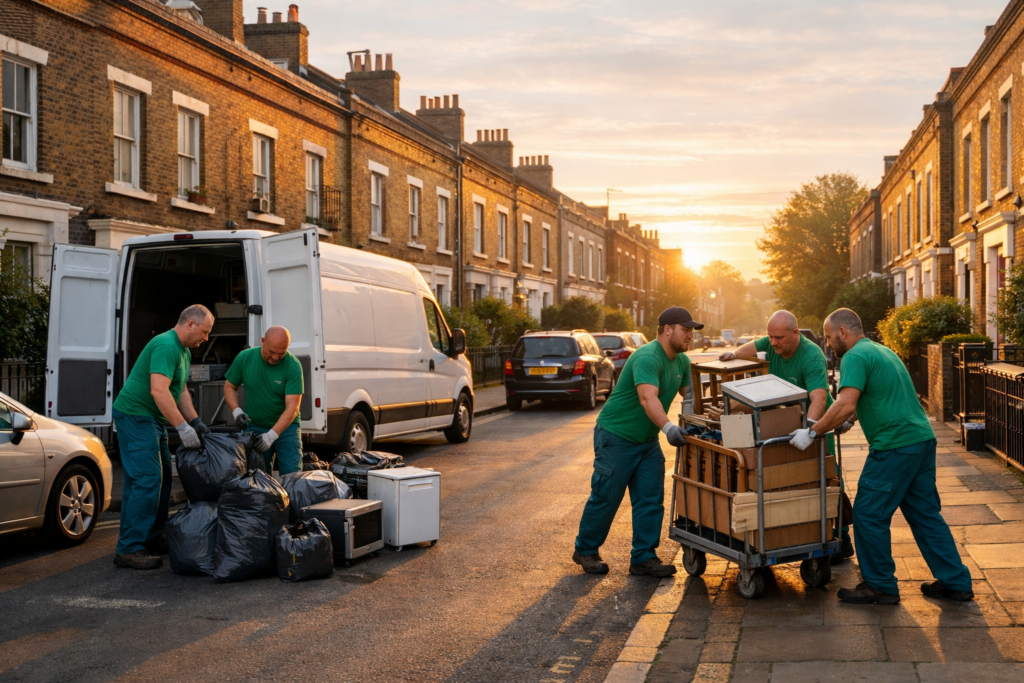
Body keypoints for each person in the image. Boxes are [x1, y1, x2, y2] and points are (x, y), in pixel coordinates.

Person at [789, 308, 973, 605]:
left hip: (894, 447)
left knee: (868, 515)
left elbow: (846, 404)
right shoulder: (882, 351)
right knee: (926, 516)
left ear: (843, 332)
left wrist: (812, 432)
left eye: (828, 337)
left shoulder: (854, 357)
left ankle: (879, 585)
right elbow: (880, 397)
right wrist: (851, 419)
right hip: (921, 441)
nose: (828, 344)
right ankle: (956, 582)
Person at [572, 306, 701, 577]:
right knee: (607, 496)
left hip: (646, 440)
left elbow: (691, 398)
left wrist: (699, 425)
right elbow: (647, 398)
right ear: (668, 330)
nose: (691, 335)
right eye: (686, 330)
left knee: (650, 498)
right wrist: (668, 428)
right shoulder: (647, 356)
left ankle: (643, 557)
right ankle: (585, 549)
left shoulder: (682, 361)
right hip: (616, 435)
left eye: (692, 331)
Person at [718, 310, 854, 563]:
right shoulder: (771, 344)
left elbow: (818, 398)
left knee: (826, 476)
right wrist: (735, 354)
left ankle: (840, 536)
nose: (773, 343)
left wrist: (810, 431)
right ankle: (801, 530)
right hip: (785, 420)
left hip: (814, 422)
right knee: (791, 479)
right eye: (770, 337)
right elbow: (754, 345)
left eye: (779, 337)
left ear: (795, 333)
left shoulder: (811, 355)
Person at [111, 304, 213, 570]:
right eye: (204, 331)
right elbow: (158, 391)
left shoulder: (183, 351)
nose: (206, 338)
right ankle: (130, 548)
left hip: (151, 419)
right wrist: (182, 427)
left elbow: (179, 391)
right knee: (146, 480)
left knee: (163, 479)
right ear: (190, 323)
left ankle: (152, 537)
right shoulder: (166, 345)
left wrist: (195, 421)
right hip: (135, 416)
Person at [224, 326, 304, 475]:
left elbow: (293, 407)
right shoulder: (245, 358)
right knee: (256, 476)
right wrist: (236, 411)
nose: (275, 358)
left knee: (293, 476)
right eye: (272, 352)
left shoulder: (293, 365)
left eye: (281, 353)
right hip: (255, 425)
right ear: (262, 341)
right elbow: (229, 387)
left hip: (287, 429)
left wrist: (272, 435)